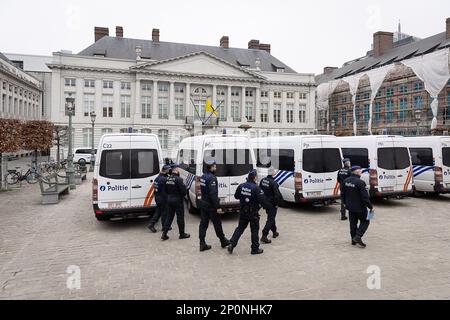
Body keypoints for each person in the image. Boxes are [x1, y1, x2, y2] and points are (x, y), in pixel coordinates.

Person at [228, 169, 269, 255]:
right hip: (253, 213)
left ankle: (232, 244)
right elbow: (263, 201)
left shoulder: (241, 186)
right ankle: (255, 249)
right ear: (254, 178)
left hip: (243, 212)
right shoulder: (256, 188)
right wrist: (267, 207)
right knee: (254, 230)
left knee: (240, 228)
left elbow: (236, 196)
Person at [198, 160, 230, 252]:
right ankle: (223, 241)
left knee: (203, 224)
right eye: (215, 167)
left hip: (204, 203)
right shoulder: (212, 178)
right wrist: (218, 207)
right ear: (211, 167)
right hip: (211, 205)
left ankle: (202, 243)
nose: (216, 168)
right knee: (217, 223)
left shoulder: (203, 176)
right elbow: (213, 194)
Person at [341, 165, 374, 248]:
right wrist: (370, 207)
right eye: (360, 171)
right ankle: (358, 236)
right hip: (360, 207)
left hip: (350, 207)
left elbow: (342, 194)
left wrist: (344, 203)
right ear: (357, 172)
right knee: (366, 221)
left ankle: (353, 240)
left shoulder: (345, 181)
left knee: (353, 223)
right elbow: (365, 197)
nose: (361, 172)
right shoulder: (360, 182)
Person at [162, 164, 190, 241]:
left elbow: (164, 191)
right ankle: (182, 234)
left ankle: (164, 234)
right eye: (179, 169)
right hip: (178, 201)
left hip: (169, 200)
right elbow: (184, 192)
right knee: (180, 218)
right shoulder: (179, 179)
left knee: (169, 217)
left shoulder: (167, 179)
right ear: (176, 170)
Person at [259, 167, 282, 244]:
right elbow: (277, 195)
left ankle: (274, 232)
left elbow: (260, 191)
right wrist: (276, 204)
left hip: (265, 203)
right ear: (272, 173)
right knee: (270, 219)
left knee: (271, 217)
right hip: (271, 204)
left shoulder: (262, 180)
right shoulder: (273, 183)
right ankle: (264, 235)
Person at [147, 165, 171, 233]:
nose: (169, 171)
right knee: (164, 213)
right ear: (166, 170)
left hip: (157, 197)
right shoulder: (164, 179)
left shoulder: (157, 178)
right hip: (163, 198)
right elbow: (167, 190)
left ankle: (151, 224)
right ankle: (164, 227)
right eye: (168, 170)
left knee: (158, 212)